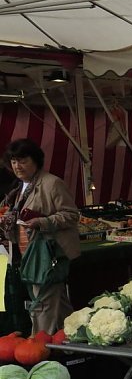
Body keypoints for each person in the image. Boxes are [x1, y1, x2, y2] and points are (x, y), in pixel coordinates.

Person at [0, 139, 80, 334]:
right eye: (13, 161)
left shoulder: (52, 183)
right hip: (28, 253)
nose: (17, 166)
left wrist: (43, 222)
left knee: (41, 303)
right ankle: (73, 338)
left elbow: (71, 215)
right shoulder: (19, 187)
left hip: (48, 254)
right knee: (57, 303)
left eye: (22, 160)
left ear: (36, 160)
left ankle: (39, 347)